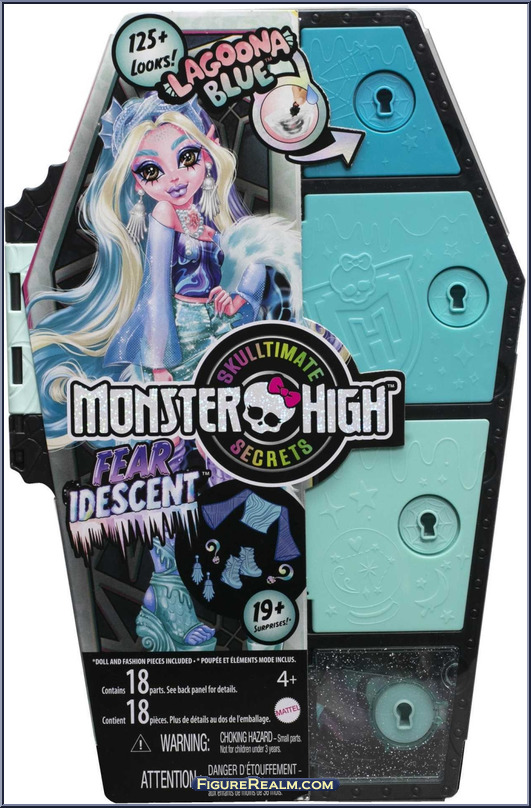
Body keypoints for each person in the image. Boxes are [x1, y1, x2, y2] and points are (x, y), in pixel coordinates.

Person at [29, 91, 301, 652]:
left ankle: (224, 587)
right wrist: (160, 376)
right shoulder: (162, 218)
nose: (174, 178)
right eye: (152, 170)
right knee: (167, 479)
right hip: (175, 350)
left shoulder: (219, 213)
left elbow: (251, 261)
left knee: (228, 469)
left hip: (222, 349)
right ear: (136, 181)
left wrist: (239, 296)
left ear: (209, 152)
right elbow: (155, 292)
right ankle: (168, 596)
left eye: (187, 158)